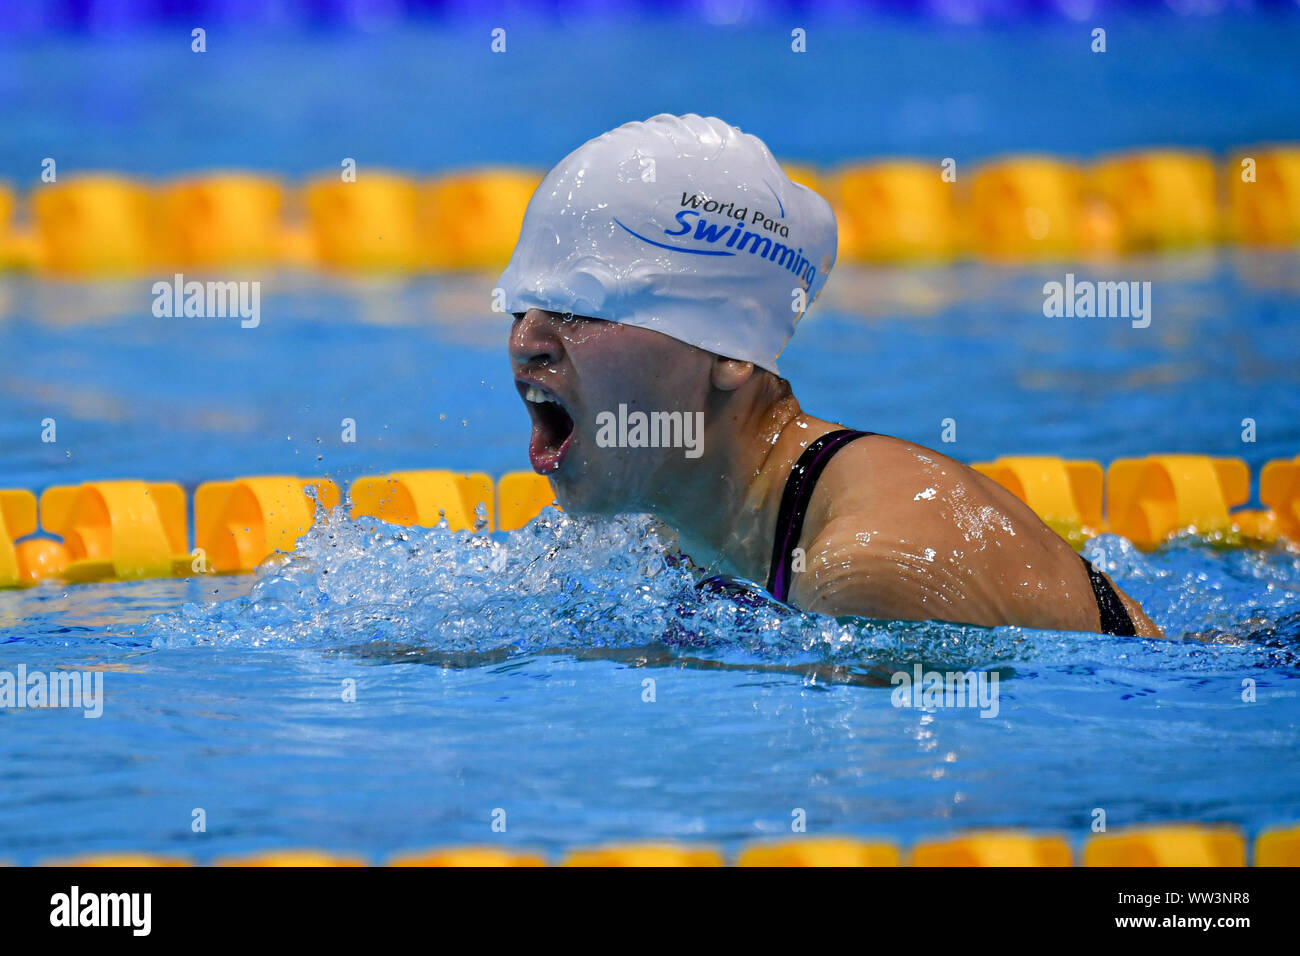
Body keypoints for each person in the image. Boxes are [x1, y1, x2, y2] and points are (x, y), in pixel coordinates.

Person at [499, 113, 1161, 637]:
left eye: (579, 309)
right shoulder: (679, 521)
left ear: (730, 352)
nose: (525, 342)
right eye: (519, 308)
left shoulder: (871, 570)